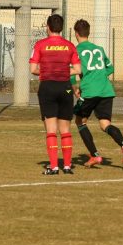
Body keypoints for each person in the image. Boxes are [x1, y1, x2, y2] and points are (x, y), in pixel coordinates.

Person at [70, 19, 123, 168]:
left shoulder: (75, 50)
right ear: (88, 33)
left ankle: (95, 155)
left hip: (90, 91)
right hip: (106, 90)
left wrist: (75, 89)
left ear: (76, 33)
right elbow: (110, 68)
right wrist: (98, 76)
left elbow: (72, 74)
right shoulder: (99, 49)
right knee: (105, 124)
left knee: (80, 121)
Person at [29, 14, 81, 175]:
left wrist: (45, 71)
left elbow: (33, 69)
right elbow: (78, 70)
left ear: (48, 27)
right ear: (62, 28)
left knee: (51, 129)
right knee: (65, 129)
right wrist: (65, 71)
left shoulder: (40, 45)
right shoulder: (70, 45)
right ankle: (67, 166)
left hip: (47, 87)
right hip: (65, 87)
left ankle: (53, 166)